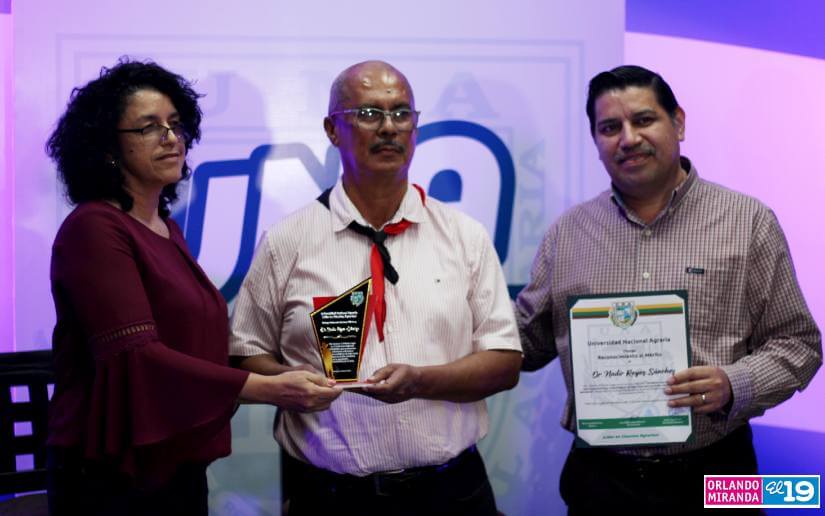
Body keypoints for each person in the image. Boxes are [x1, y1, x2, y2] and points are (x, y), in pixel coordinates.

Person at [515, 64, 822, 514]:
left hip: (718, 472)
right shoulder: (569, 234)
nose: (628, 139)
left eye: (644, 120)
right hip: (601, 479)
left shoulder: (747, 222)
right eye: (609, 128)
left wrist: (732, 383)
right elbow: (524, 344)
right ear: (595, 141)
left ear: (677, 123)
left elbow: (799, 344)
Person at [45, 58, 342, 516]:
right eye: (149, 127)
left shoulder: (166, 228)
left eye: (176, 124)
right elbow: (137, 357)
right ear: (107, 146)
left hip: (173, 460)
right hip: (111, 473)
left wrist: (276, 371)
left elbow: (194, 345)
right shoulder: (94, 228)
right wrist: (267, 388)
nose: (171, 137)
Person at [229, 60, 522, 515]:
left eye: (401, 113)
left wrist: (420, 381)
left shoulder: (465, 236)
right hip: (329, 498)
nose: (389, 128)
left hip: (451, 494)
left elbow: (504, 364)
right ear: (332, 130)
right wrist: (289, 385)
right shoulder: (287, 241)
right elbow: (243, 355)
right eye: (368, 114)